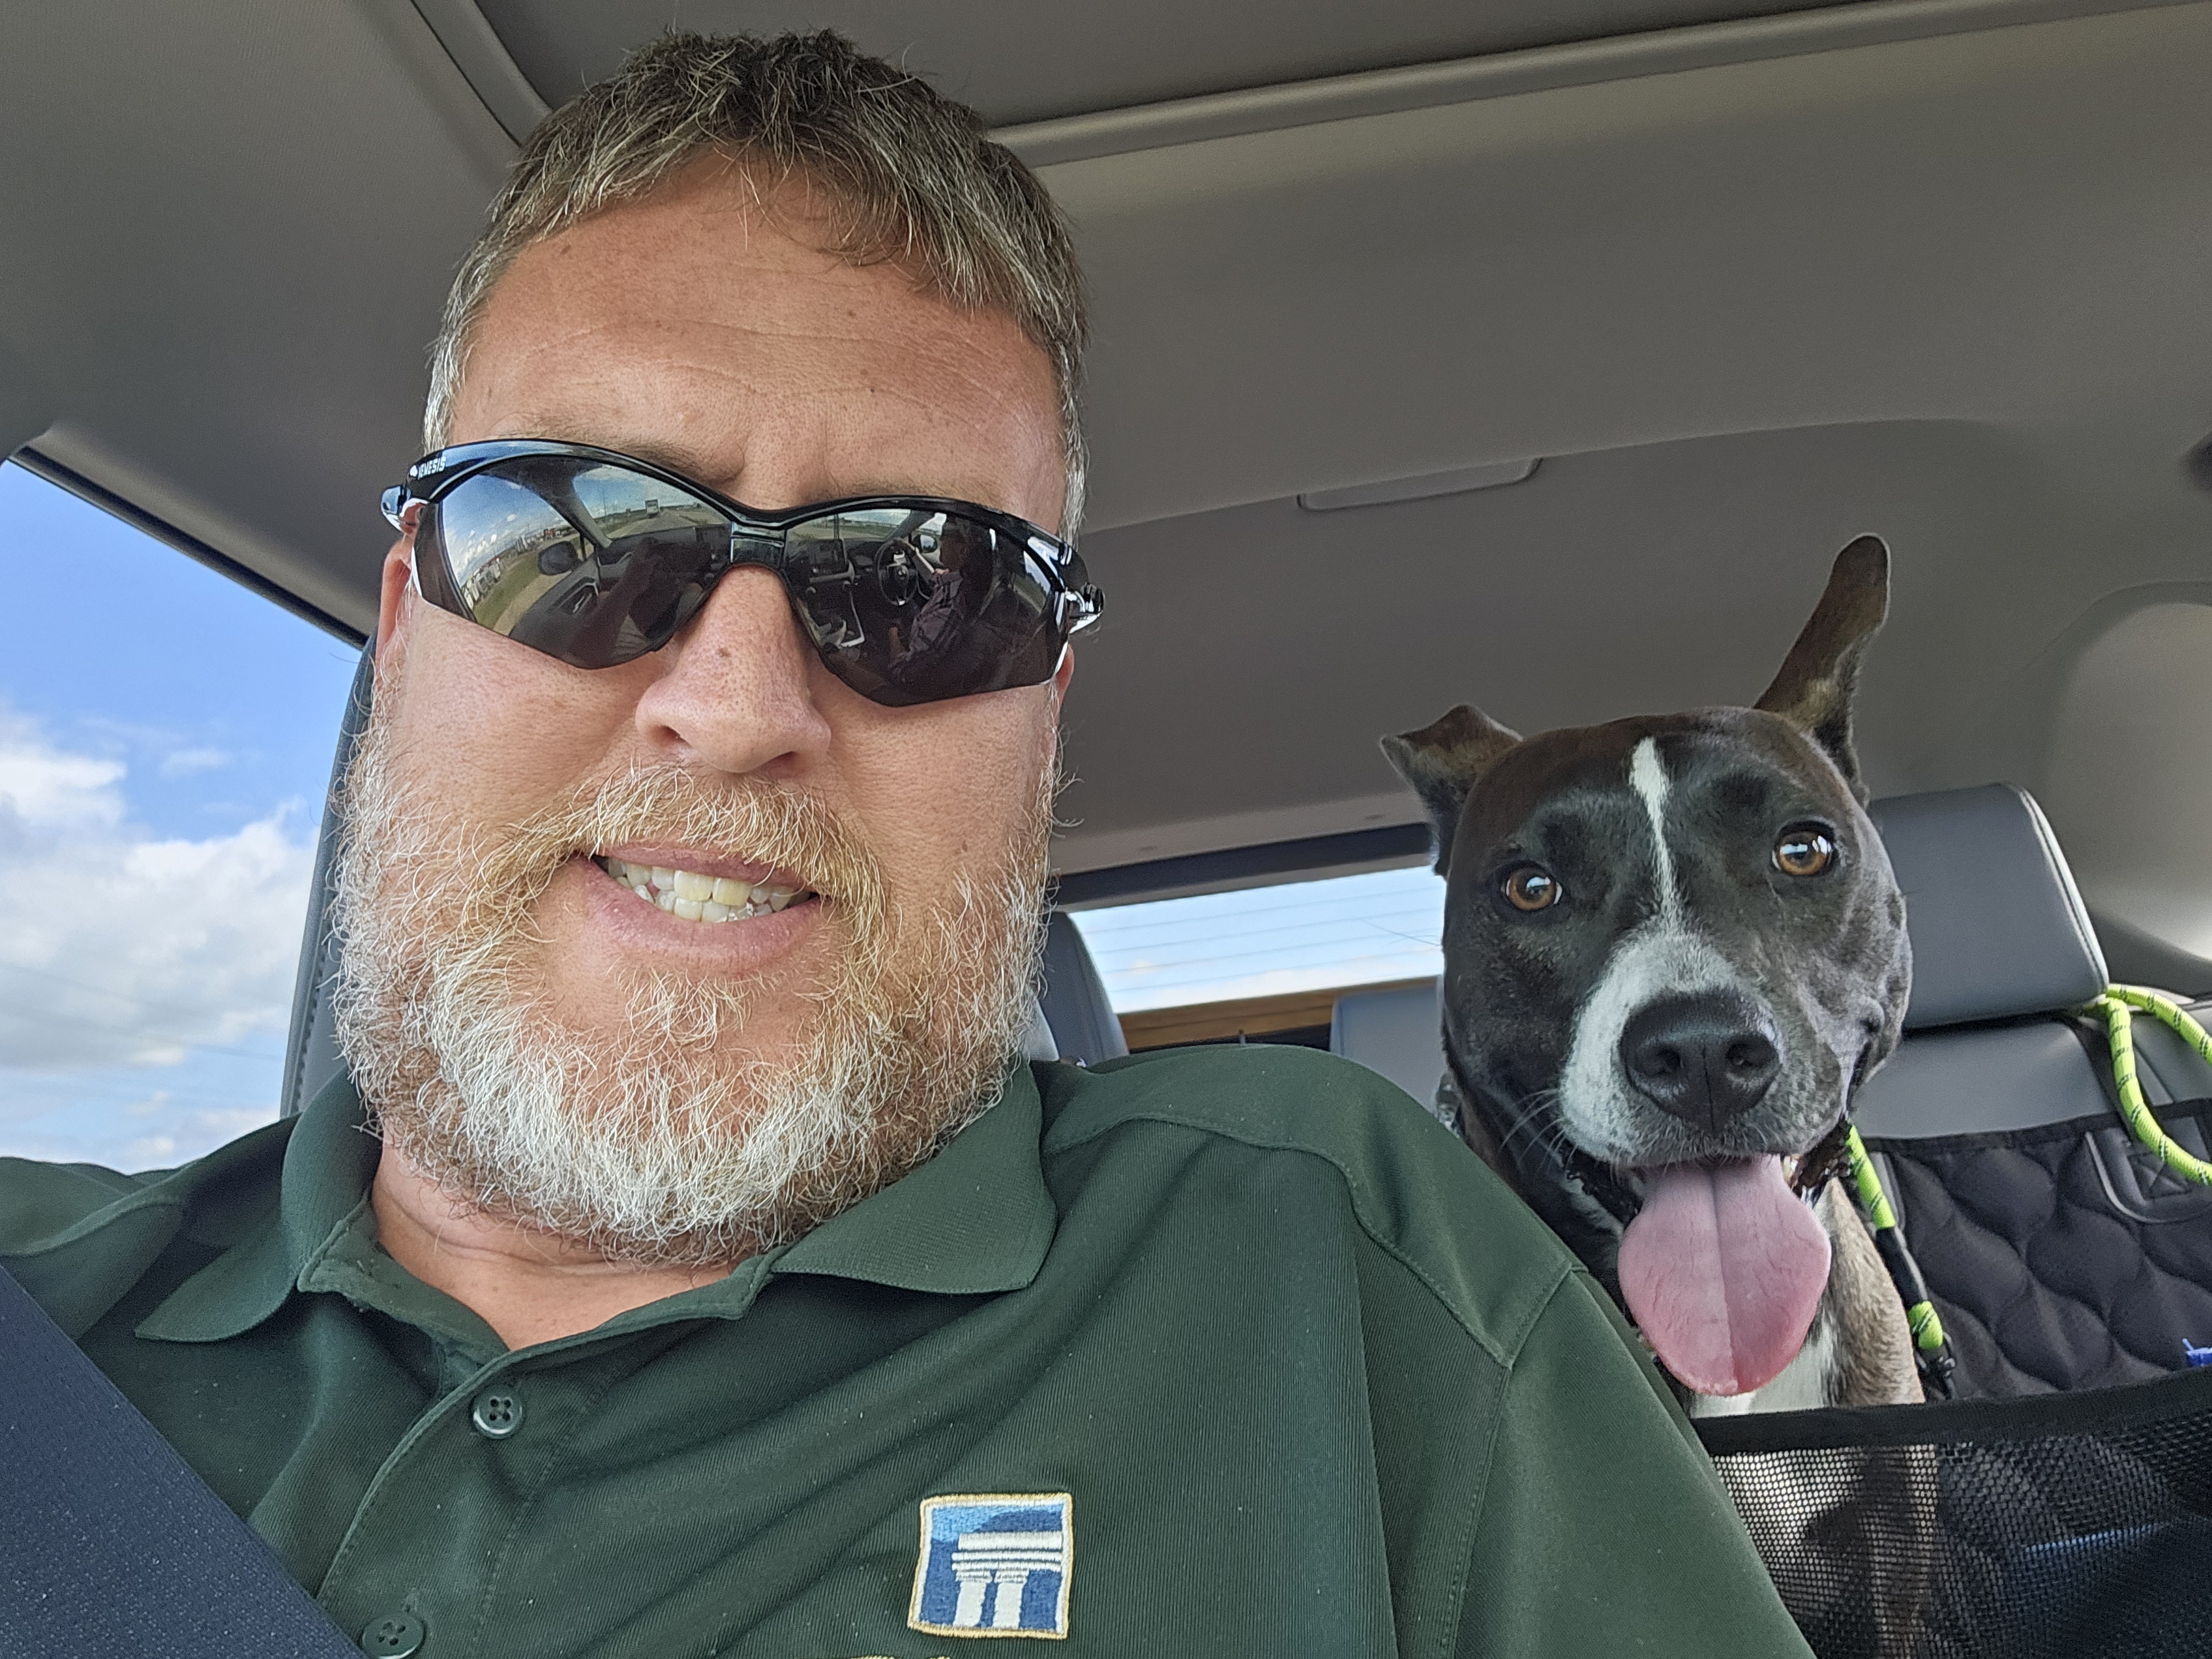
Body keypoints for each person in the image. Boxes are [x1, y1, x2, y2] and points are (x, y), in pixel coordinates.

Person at [0, 32, 1811, 1659]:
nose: (734, 700)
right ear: (408, 623)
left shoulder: (1336, 1267)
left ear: (1042, 714)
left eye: (920, 591)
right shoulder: (45, 1330)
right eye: (587, 538)